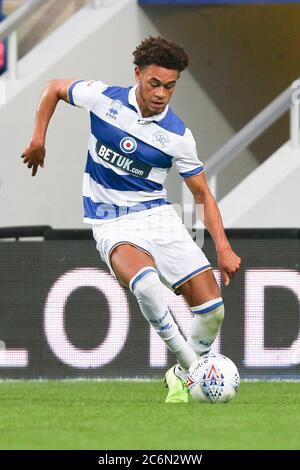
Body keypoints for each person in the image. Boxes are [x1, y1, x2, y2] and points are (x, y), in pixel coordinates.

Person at [21, 36, 241, 403]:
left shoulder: (178, 137)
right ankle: (195, 374)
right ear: (137, 74)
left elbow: (202, 194)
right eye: (154, 83)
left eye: (169, 86)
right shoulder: (102, 98)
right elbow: (53, 88)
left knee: (213, 311)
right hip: (110, 220)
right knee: (147, 286)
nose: (161, 94)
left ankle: (181, 375)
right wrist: (39, 138)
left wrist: (223, 246)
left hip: (157, 217)